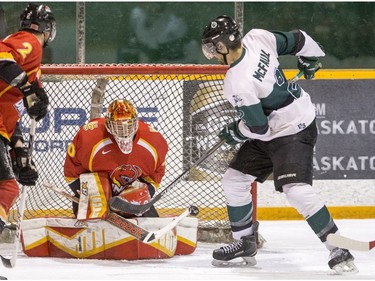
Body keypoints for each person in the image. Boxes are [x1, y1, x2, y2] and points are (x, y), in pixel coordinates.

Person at [201, 15, 357, 274]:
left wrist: (235, 131)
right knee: (234, 179)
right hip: (275, 127)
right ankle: (244, 242)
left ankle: (338, 248)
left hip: (293, 128)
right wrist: (309, 58)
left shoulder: (236, 80)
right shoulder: (257, 37)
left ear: (221, 46)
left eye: (211, 48)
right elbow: (300, 39)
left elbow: (258, 128)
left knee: (295, 189)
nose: (211, 54)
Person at [0, 3, 56, 233]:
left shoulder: (31, 69)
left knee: (9, 187)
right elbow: (2, 59)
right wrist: (28, 89)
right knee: (6, 188)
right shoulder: (29, 41)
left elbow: (10, 112)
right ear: (48, 29)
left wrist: (21, 155)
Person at [63, 99, 168, 219]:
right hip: (98, 193)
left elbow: (155, 174)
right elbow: (71, 171)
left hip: (128, 194)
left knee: (150, 219)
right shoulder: (89, 138)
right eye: (118, 126)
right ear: (108, 124)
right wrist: (86, 193)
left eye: (128, 125)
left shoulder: (153, 140)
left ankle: (127, 208)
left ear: (136, 123)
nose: (124, 132)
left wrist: (140, 197)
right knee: (95, 190)